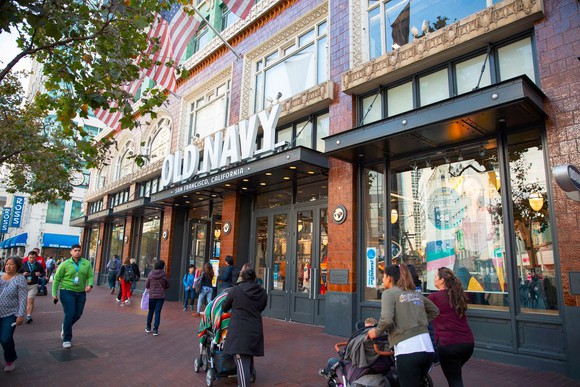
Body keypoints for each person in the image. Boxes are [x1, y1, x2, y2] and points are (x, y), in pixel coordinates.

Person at [368, 264, 439, 387]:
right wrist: (418, 322)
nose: (382, 280)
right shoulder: (413, 293)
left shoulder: (389, 293)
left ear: (389, 278)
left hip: (408, 350)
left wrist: (375, 332)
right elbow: (435, 311)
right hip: (427, 349)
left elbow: (386, 319)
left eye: (384, 277)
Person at [427, 267, 474, 387]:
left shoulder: (435, 297)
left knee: (455, 380)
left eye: (436, 277)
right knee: (456, 374)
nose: (434, 279)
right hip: (467, 343)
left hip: (448, 344)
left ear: (442, 280)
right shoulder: (458, 295)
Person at [222, 268, 267, 386]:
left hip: (239, 331)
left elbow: (224, 307)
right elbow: (261, 308)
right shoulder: (262, 292)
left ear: (242, 277)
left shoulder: (236, 290)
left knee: (241, 361)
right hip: (255, 329)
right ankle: (250, 376)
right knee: (248, 356)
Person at [52, 244, 94, 349]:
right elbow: (56, 279)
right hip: (67, 291)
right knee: (69, 313)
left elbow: (90, 275)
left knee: (78, 314)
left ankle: (65, 326)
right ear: (71, 252)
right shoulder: (65, 264)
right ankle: (67, 338)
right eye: (75, 250)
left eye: (79, 250)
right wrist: (54, 294)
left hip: (81, 292)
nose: (78, 252)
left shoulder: (86, 263)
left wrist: (90, 285)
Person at [0, 256, 27, 372]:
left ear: (17, 266)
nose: (8, 266)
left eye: (11, 264)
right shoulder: (0, 276)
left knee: (5, 339)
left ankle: (10, 359)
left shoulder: (19, 279)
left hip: (10, 313)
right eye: (6, 264)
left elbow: (22, 298)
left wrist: (20, 315)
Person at [145, 260, 170, 336]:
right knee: (157, 312)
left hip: (152, 296)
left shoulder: (150, 274)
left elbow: (147, 285)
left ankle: (148, 327)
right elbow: (167, 285)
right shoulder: (164, 274)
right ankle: (155, 330)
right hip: (161, 296)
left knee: (150, 311)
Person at [21, 250, 45, 323]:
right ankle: (20, 314)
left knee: (30, 300)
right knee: (22, 301)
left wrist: (40, 274)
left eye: (33, 258)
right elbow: (17, 273)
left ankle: (28, 316)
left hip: (33, 284)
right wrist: (23, 274)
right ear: (28, 257)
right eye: (30, 257)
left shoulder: (39, 265)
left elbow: (43, 273)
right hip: (23, 285)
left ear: (36, 258)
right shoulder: (23, 264)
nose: (31, 259)